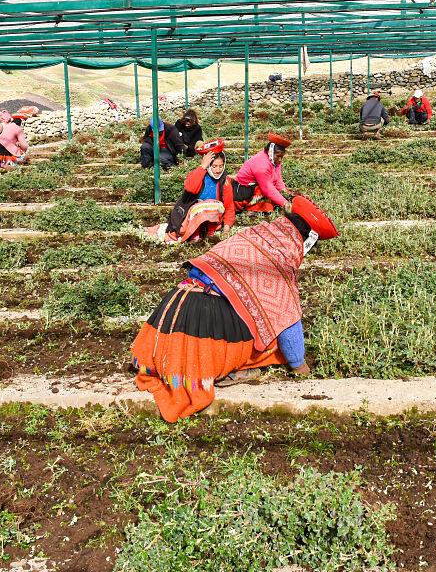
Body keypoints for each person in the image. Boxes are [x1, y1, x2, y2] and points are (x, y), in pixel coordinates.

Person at [128, 195, 339, 421]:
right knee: (272, 338)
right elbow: (288, 323)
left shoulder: (253, 234)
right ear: (306, 241)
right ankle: (224, 365)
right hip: (203, 328)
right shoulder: (282, 258)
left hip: (169, 315)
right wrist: (301, 368)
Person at [147, 139, 236, 243]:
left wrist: (226, 228)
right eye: (214, 166)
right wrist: (202, 167)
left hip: (213, 221)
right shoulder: (198, 173)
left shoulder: (225, 181)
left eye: (221, 166)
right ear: (208, 166)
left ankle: (207, 233)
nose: (217, 170)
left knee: (215, 205)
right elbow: (190, 188)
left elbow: (229, 206)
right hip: (192, 217)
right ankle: (195, 233)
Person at [234, 133, 293, 212]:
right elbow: (267, 188)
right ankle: (252, 208)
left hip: (255, 186)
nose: (280, 160)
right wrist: (285, 203)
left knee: (273, 192)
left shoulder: (275, 162)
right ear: (270, 152)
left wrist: (288, 195)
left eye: (281, 157)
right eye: (278, 156)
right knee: (263, 192)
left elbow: (278, 180)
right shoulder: (262, 164)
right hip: (243, 191)